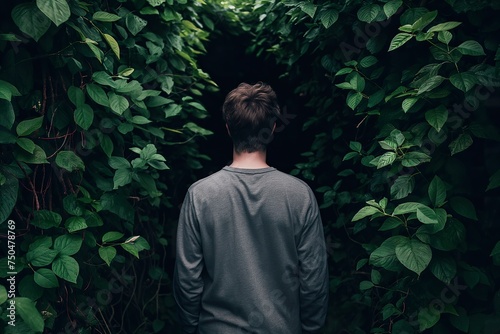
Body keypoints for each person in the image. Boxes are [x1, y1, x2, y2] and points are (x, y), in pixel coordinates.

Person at [173, 82, 329, 333]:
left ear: (228, 129)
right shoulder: (300, 195)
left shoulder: (199, 195)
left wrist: (191, 328)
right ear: (273, 128)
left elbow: (187, 279)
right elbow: (313, 279)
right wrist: (310, 328)